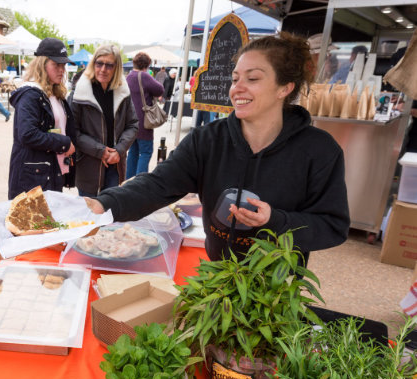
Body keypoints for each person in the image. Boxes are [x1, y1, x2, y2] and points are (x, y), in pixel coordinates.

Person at [85, 32, 350, 263]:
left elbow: (332, 225)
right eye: (235, 79)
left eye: (253, 79)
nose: (237, 88)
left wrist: (276, 221)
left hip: (279, 290)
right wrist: (103, 204)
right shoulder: (207, 141)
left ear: (284, 88)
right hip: (218, 274)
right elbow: (157, 184)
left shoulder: (319, 151)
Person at [7, 38, 77, 199]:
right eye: (56, 65)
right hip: (33, 176)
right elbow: (27, 134)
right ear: (42, 65)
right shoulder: (30, 95)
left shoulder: (55, 93)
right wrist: (65, 143)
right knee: (36, 223)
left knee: (49, 221)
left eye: (63, 65)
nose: (62, 70)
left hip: (50, 170)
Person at [71, 44, 139, 197]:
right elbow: (73, 131)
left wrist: (120, 150)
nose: (103, 69)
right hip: (88, 165)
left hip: (114, 165)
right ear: (93, 63)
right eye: (99, 63)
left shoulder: (122, 92)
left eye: (109, 65)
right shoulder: (80, 93)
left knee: (110, 214)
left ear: (117, 68)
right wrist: (99, 151)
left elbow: (133, 124)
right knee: (88, 215)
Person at [126, 52, 164, 178]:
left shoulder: (128, 76)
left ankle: (128, 181)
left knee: (133, 152)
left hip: (130, 121)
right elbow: (160, 90)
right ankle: (140, 182)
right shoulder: (144, 76)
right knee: (146, 152)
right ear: (146, 64)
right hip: (143, 121)